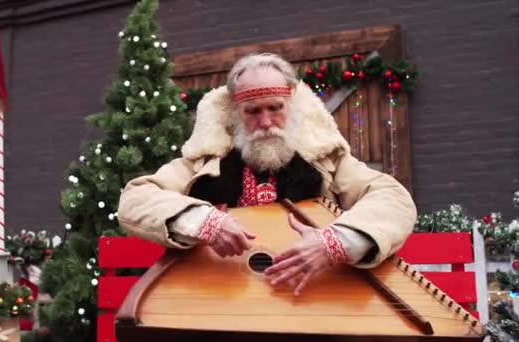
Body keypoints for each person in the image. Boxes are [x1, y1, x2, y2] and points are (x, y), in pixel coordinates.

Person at [118, 52, 417, 296]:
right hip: (222, 306)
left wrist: (334, 243)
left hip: (310, 305)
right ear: (236, 114)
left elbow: (393, 199)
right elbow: (135, 198)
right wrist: (203, 222)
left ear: (293, 106)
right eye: (252, 111)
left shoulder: (328, 159)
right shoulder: (203, 162)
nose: (266, 122)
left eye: (275, 108)